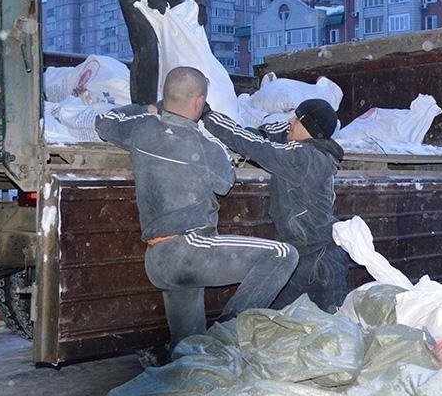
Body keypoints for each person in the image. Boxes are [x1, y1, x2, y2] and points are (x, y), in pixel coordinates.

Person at [94, 66, 297, 360]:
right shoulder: (203, 144)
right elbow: (225, 182)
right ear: (199, 103)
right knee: (282, 255)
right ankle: (225, 337)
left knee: (190, 355)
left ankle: (190, 371)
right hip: (190, 251)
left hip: (160, 260)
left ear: (166, 98)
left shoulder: (141, 129)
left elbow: (105, 120)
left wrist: (149, 110)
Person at [203, 98, 350, 312]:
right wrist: (265, 133)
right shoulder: (312, 153)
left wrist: (208, 116)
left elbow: (256, 147)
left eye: (298, 119)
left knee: (316, 327)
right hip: (312, 254)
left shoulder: (303, 157)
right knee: (302, 328)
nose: (290, 121)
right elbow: (268, 139)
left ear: (311, 129)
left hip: (315, 262)